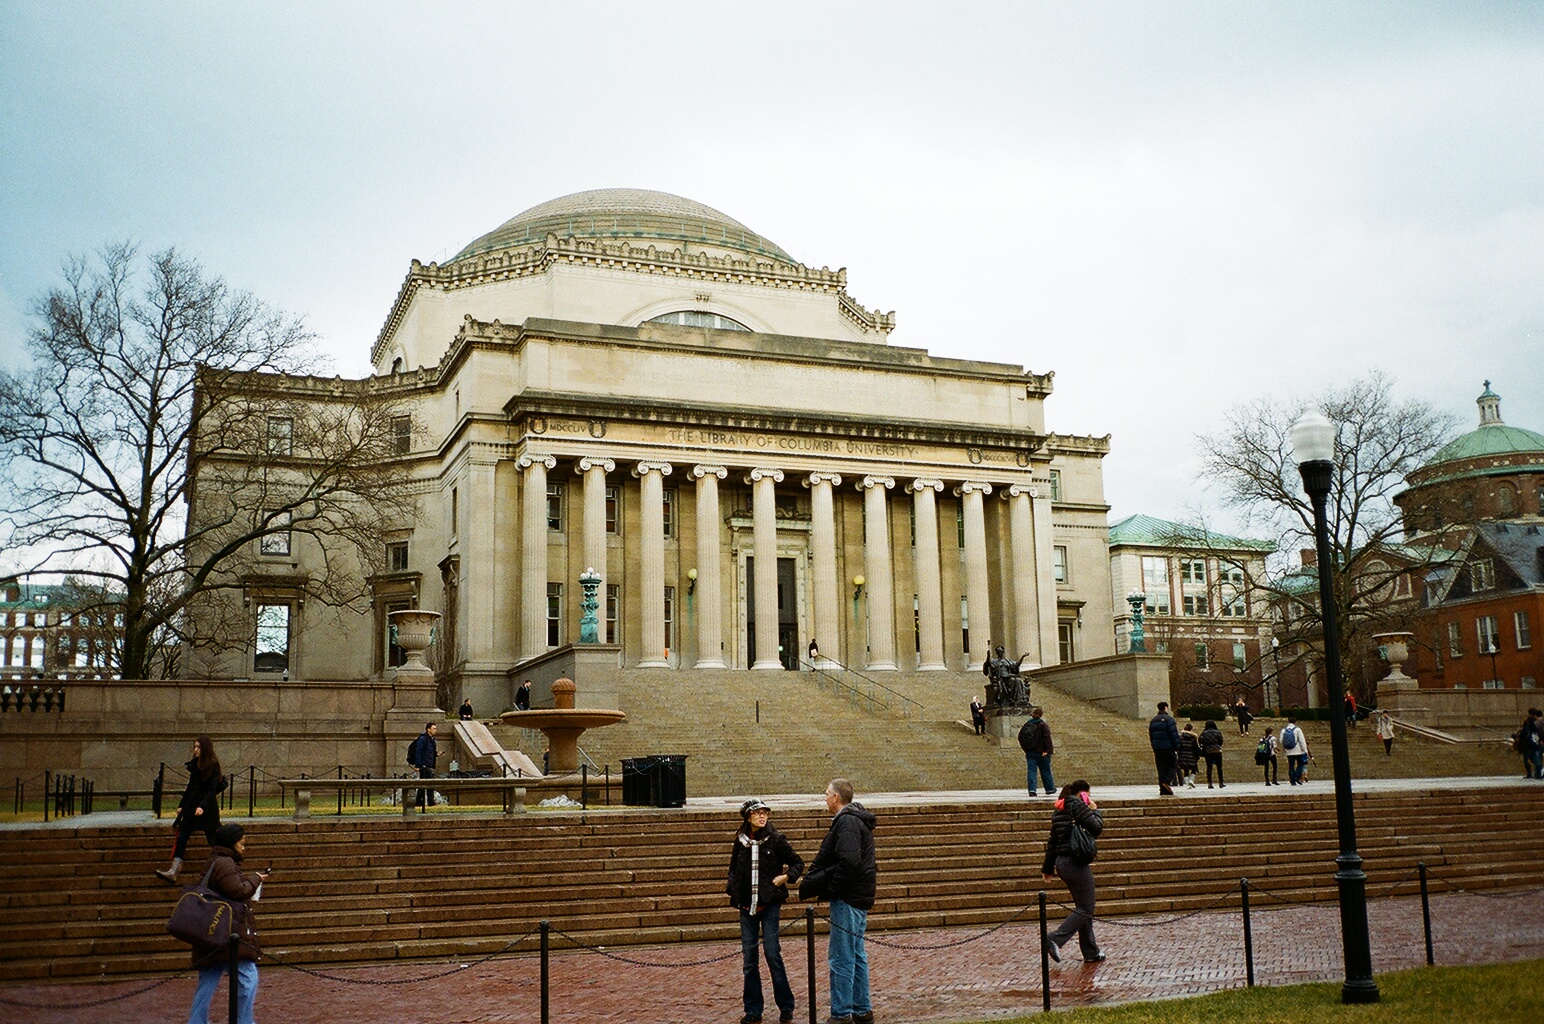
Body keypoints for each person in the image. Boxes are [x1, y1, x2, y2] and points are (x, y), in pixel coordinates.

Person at [799, 779, 877, 1024]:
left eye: (826, 794)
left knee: (842, 957)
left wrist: (832, 889)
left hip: (848, 898)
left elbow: (849, 862)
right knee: (855, 954)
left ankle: (842, 1013)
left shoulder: (847, 821)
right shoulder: (854, 820)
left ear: (835, 797)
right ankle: (862, 1009)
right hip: (857, 896)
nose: (825, 799)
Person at [726, 798, 805, 1024]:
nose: (763, 816)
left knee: (772, 954)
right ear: (748, 816)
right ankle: (753, 1010)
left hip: (769, 904)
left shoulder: (776, 839)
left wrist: (785, 877)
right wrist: (732, 887)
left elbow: (797, 863)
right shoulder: (740, 841)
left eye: (765, 813)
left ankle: (786, 1006)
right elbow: (732, 869)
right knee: (749, 960)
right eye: (758, 813)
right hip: (745, 906)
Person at [185, 822, 268, 1024]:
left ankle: (197, 1021)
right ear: (232, 843)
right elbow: (238, 891)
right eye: (241, 843)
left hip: (212, 934)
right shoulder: (225, 863)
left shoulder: (216, 861)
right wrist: (255, 879)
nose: (243, 847)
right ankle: (244, 1021)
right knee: (248, 979)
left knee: (207, 983)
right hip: (226, 934)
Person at [1040, 779, 1105, 964]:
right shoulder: (1078, 805)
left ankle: (1091, 952)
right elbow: (1096, 828)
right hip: (1075, 861)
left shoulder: (1059, 808)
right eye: (1088, 794)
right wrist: (1094, 809)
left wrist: (1047, 868)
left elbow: (1052, 842)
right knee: (1086, 907)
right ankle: (1054, 938)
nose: (1090, 797)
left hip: (1062, 862)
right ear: (1082, 794)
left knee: (1082, 907)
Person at [156, 737, 227, 883]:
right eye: (194, 747)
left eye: (198, 747)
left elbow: (211, 789)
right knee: (182, 836)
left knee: (212, 838)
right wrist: (182, 804)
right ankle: (174, 871)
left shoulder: (213, 765)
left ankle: (225, 866)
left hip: (206, 808)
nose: (195, 750)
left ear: (205, 749)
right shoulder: (195, 765)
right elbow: (190, 787)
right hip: (191, 805)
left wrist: (202, 806)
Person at [1018, 707, 1054, 796]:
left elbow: (1020, 737)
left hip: (1030, 752)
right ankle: (1049, 788)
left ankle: (1032, 790)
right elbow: (1047, 738)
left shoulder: (1027, 725)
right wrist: (1048, 750)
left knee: (1031, 771)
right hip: (1042, 752)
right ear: (1041, 715)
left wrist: (1026, 749)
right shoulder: (1043, 725)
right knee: (1045, 771)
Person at [1148, 701, 1181, 796]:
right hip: (1168, 746)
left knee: (1161, 768)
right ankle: (1166, 782)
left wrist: (1154, 746)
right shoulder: (1169, 719)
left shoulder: (1153, 720)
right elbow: (1173, 734)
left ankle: (1163, 789)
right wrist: (1177, 746)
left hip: (1157, 748)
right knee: (1173, 764)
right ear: (1166, 708)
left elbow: (1151, 735)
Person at [408, 722, 441, 807]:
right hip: (424, 765)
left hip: (429, 764)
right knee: (426, 784)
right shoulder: (423, 739)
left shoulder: (432, 740)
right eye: (433, 728)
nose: (435, 730)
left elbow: (429, 752)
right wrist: (418, 766)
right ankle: (428, 802)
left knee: (426, 783)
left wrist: (436, 754)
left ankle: (421, 801)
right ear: (428, 729)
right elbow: (418, 752)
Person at [1280, 716, 1310, 785]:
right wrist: (1305, 750)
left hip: (1289, 751)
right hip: (1298, 751)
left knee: (1291, 766)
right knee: (1301, 764)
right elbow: (1302, 741)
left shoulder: (1283, 730)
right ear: (1295, 722)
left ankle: (1292, 780)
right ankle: (1296, 777)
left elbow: (1281, 740)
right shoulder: (1297, 730)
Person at [1198, 719, 1226, 788]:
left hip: (1208, 751)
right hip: (1217, 750)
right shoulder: (1217, 732)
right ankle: (1221, 782)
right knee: (1219, 768)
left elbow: (1200, 741)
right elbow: (1221, 741)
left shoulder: (1204, 733)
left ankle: (1210, 783)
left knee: (1209, 767)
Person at [1177, 722, 1201, 789]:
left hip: (1183, 755)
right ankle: (1191, 780)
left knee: (1186, 770)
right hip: (1192, 755)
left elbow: (1178, 746)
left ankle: (1187, 783)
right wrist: (1197, 756)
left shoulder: (1181, 737)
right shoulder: (1193, 738)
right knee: (1194, 769)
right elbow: (1195, 748)